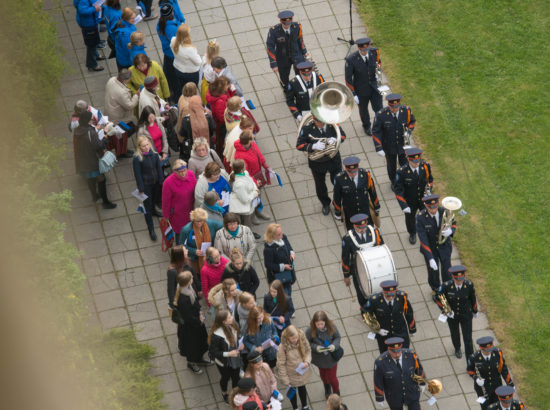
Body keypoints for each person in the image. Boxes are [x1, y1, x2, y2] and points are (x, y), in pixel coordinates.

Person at [296, 115, 345, 215]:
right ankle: (325, 204)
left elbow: (343, 136)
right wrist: (313, 146)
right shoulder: (307, 128)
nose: (322, 125)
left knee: (338, 183)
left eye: (323, 122)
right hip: (317, 163)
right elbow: (299, 145)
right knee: (320, 187)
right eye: (319, 123)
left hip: (333, 160)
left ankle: (338, 204)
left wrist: (336, 139)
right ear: (314, 120)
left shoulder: (332, 125)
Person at [372, 93, 416, 190]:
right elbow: (376, 131)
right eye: (392, 107)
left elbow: (412, 122)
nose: (394, 109)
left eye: (396, 107)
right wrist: (378, 147)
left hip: (403, 145)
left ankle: (405, 180)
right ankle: (394, 181)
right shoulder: (381, 115)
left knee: (405, 164)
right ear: (389, 105)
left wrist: (408, 131)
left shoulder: (406, 111)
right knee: (391, 166)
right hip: (389, 146)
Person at [72, 111, 116, 209]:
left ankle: (95, 196)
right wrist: (105, 137)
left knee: (90, 178)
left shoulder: (78, 130)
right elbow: (99, 146)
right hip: (93, 160)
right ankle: (106, 203)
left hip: (83, 160)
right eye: (92, 119)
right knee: (101, 180)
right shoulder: (90, 132)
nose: (93, 120)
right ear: (88, 120)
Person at [435, 265, 478, 360]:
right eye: (457, 279)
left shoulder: (469, 285)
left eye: (461, 279)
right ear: (453, 277)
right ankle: (457, 348)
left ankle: (470, 355)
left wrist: (475, 311)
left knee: (468, 336)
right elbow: (439, 297)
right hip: (452, 316)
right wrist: (447, 309)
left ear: (464, 276)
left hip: (466, 314)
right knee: (455, 334)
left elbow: (472, 298)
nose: (459, 281)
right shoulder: (446, 286)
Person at [341, 214, 384, 308]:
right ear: (354, 226)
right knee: (361, 291)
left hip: (374, 266)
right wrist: (346, 275)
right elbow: (345, 258)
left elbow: (382, 248)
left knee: (377, 287)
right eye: (359, 228)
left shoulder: (375, 232)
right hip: (358, 270)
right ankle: (364, 309)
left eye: (364, 227)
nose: (362, 230)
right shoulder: (348, 239)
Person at [362, 280, 416, 353]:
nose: (390, 298)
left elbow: (409, 313)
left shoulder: (401, 297)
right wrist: (377, 329)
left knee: (404, 353)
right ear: (383, 292)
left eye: (393, 295)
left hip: (400, 332)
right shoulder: (375, 300)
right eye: (388, 296)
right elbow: (365, 313)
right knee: (386, 355)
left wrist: (412, 329)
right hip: (384, 335)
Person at [416, 194, 456, 292]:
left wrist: (451, 231)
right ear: (426, 206)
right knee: (433, 272)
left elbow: (453, 222)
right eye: (430, 208)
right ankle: (436, 289)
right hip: (431, 248)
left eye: (435, 207)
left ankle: (447, 288)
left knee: (447, 270)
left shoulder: (444, 211)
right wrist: (430, 258)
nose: (433, 210)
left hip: (444, 246)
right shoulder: (420, 218)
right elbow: (423, 239)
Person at [394, 148, 434, 244]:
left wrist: (429, 190)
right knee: (410, 219)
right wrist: (404, 205)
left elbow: (430, 180)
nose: (416, 164)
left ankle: (428, 233)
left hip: (423, 199)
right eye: (414, 162)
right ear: (408, 159)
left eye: (418, 161)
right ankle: (412, 233)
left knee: (428, 217)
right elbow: (398, 190)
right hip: (410, 200)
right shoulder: (401, 172)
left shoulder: (425, 166)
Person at [344, 37, 383, 135]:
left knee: (379, 108)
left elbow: (378, 66)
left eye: (366, 49)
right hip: (361, 90)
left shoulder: (374, 52)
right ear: (358, 48)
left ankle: (378, 125)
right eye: (362, 50)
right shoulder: (351, 59)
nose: (365, 52)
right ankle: (367, 126)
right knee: (363, 110)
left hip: (375, 87)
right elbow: (348, 79)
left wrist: (379, 81)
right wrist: (353, 94)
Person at [373, 337, 425, 410]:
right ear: (389, 350)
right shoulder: (381, 362)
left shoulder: (411, 355)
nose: (397, 354)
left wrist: (422, 382)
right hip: (394, 396)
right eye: (394, 352)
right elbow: (378, 380)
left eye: (399, 351)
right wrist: (379, 397)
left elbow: (418, 369)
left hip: (411, 391)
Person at [174, 270, 209, 374]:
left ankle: (199, 358)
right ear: (187, 282)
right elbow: (188, 316)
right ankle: (191, 362)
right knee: (192, 345)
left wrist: (200, 314)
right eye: (191, 279)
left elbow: (195, 303)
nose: (193, 280)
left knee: (200, 342)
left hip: (196, 322)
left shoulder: (187, 289)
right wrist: (199, 320)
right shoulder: (183, 298)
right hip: (190, 327)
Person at [167, 246, 199, 356]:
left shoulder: (186, 262)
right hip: (181, 300)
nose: (187, 251)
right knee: (182, 324)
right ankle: (181, 344)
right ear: (180, 255)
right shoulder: (172, 271)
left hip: (190, 292)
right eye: (185, 250)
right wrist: (173, 305)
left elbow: (193, 274)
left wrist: (198, 288)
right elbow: (170, 289)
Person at [333, 156, 380, 230]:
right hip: (350, 211)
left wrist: (376, 205)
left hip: (364, 209)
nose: (352, 174)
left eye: (355, 171)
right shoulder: (339, 179)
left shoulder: (365, 175)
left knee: (369, 229)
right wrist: (337, 212)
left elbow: (372, 191)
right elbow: (337, 196)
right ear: (345, 169)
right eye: (350, 172)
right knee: (352, 231)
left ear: (358, 167)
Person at [467, 336, 514, 409]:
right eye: (486, 350)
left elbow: (503, 369)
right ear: (481, 348)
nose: (489, 352)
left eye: (490, 349)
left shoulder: (498, 353)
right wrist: (476, 379)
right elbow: (470, 370)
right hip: (483, 389)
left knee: (497, 406)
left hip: (497, 386)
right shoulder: (474, 358)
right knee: (485, 407)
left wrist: (510, 383)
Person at [266, 10, 308, 89]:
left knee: (301, 75)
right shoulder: (274, 31)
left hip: (297, 55)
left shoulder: (297, 26)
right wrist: (273, 64)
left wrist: (304, 52)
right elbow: (270, 47)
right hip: (282, 58)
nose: (287, 26)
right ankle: (287, 90)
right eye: (285, 24)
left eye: (289, 23)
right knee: (284, 78)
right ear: (281, 21)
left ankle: (300, 88)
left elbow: (300, 39)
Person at [208, 310, 243, 403]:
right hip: (223, 362)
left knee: (236, 377)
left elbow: (237, 337)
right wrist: (229, 354)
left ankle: (235, 394)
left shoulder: (233, 325)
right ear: (224, 322)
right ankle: (224, 393)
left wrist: (240, 343)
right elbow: (213, 352)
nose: (232, 317)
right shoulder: (217, 336)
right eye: (229, 317)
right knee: (226, 377)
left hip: (234, 358)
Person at [132, 135, 163, 241]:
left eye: (147, 144)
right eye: (143, 146)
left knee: (154, 201)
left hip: (155, 184)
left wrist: (161, 180)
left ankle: (154, 211)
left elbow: (159, 167)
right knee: (147, 208)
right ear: (139, 147)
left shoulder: (154, 154)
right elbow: (137, 174)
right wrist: (141, 187)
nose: (146, 147)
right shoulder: (137, 158)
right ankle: (151, 230)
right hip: (146, 186)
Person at [306, 311, 342, 399]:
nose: (320, 326)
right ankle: (327, 388)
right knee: (323, 375)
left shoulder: (332, 327)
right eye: (317, 324)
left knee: (332, 378)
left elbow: (337, 337)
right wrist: (316, 347)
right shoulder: (310, 330)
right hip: (319, 358)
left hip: (331, 358)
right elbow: (306, 343)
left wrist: (334, 345)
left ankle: (336, 392)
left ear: (325, 321)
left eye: (321, 324)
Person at [177, 207, 223, 272]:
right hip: (194, 258)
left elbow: (224, 226)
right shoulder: (186, 230)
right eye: (197, 221)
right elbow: (181, 245)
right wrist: (194, 251)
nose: (199, 223)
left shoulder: (211, 224)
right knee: (197, 273)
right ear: (193, 220)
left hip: (209, 255)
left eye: (201, 221)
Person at [277, 325, 312, 410]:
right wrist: (285, 379)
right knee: (292, 392)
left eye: (296, 338)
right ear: (288, 337)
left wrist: (307, 362)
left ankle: (305, 405)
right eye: (293, 338)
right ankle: (295, 408)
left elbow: (308, 350)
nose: (295, 340)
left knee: (302, 388)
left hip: (302, 371)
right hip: (291, 374)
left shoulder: (302, 339)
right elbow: (281, 364)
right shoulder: (282, 347)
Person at [104, 69, 138, 148]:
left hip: (111, 113)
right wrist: (137, 95)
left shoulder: (111, 80)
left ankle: (115, 141)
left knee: (128, 129)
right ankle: (118, 147)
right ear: (126, 80)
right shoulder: (122, 92)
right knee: (127, 131)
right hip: (118, 118)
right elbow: (129, 105)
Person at [162, 159, 197, 234]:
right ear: (175, 171)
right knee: (180, 234)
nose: (183, 173)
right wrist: (166, 216)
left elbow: (196, 190)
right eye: (180, 172)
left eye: (184, 170)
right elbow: (166, 201)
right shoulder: (168, 182)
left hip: (191, 210)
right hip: (177, 214)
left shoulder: (191, 174)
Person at [179, 96, 217, 161]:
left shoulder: (185, 120)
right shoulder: (208, 117)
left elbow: (182, 133)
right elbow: (213, 128)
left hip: (193, 147)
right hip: (208, 145)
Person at [263, 223, 296, 295]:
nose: (282, 235)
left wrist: (292, 253)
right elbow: (268, 265)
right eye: (279, 234)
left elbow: (289, 246)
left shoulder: (283, 237)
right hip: (277, 277)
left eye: (281, 232)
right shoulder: (268, 249)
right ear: (272, 236)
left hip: (287, 274)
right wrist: (283, 266)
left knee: (288, 294)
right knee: (280, 296)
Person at [156, 3, 179, 103]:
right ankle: (176, 98)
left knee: (168, 74)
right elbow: (175, 43)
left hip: (167, 53)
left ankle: (170, 92)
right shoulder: (172, 28)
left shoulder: (160, 24)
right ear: (171, 14)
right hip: (173, 55)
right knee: (175, 79)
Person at [171, 24, 201, 99]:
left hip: (178, 69)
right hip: (190, 73)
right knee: (191, 90)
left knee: (182, 87)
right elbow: (198, 62)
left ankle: (182, 98)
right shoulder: (189, 49)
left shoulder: (173, 40)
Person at [229, 159, 260, 232]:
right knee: (246, 224)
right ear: (242, 168)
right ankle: (248, 234)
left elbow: (251, 181)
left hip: (247, 202)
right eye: (244, 165)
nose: (246, 166)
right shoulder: (239, 184)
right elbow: (245, 199)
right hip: (243, 207)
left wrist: (255, 188)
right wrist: (255, 193)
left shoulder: (244, 173)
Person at [207, 76, 234, 155]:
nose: (228, 86)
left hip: (222, 123)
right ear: (222, 88)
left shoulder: (218, 93)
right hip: (222, 125)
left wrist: (231, 92)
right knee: (222, 140)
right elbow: (222, 118)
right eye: (227, 85)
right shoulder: (220, 102)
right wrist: (232, 115)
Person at [75, 0, 105, 72]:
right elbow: (82, 10)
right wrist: (94, 9)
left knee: (94, 42)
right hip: (88, 25)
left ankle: (96, 55)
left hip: (93, 22)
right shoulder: (84, 1)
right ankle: (92, 65)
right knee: (91, 45)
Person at [200, 40, 220, 104]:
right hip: (213, 85)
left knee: (204, 98)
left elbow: (201, 70)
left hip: (205, 82)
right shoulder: (216, 65)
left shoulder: (204, 57)